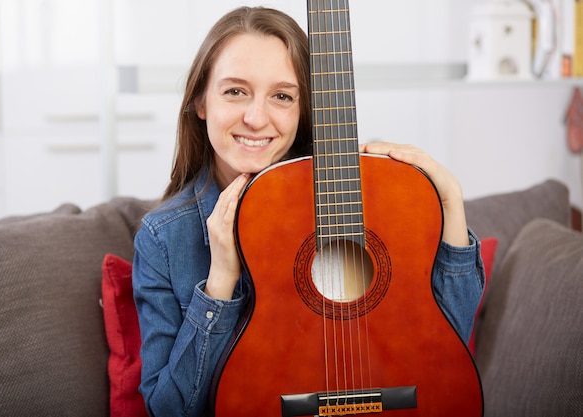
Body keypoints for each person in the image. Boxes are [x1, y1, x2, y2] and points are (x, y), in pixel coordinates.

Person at [132, 6, 485, 417]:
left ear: (304, 111)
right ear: (200, 100)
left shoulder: (380, 203)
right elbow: (170, 411)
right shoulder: (163, 238)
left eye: (282, 96)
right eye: (235, 91)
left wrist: (449, 201)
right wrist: (220, 282)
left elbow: (446, 353)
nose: (256, 117)